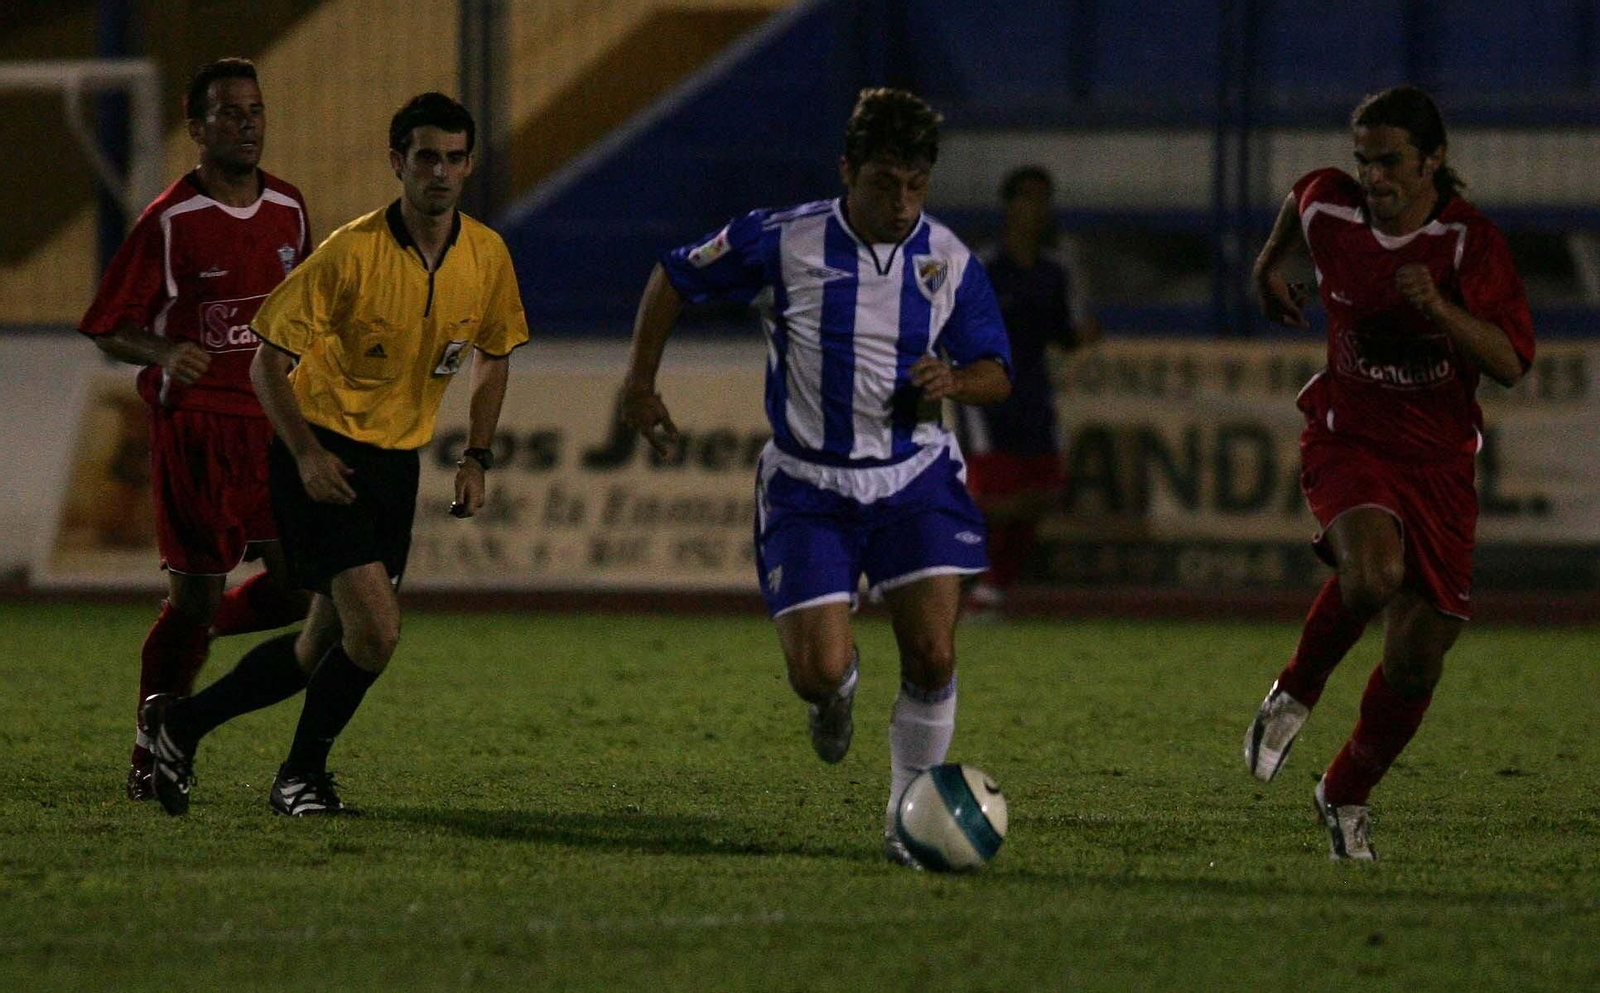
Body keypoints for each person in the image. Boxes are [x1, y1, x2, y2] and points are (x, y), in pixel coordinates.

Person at [620, 88, 1012, 866]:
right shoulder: (782, 241)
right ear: (847, 171)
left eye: (915, 186)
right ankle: (835, 692)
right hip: (810, 486)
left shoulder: (948, 260)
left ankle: (909, 818)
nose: (901, 204)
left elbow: (998, 371)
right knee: (816, 672)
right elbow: (673, 277)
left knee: (934, 653)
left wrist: (955, 383)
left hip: (914, 476)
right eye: (884, 184)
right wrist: (639, 382)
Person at [142, 92, 530, 816]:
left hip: (393, 461)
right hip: (318, 457)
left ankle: (180, 723)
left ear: (469, 164)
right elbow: (266, 363)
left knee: (316, 644)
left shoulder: (486, 254)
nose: (439, 172)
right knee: (377, 631)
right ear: (397, 163)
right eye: (424, 157)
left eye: (452, 158)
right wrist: (307, 453)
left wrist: (477, 455)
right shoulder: (351, 251)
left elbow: (495, 354)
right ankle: (299, 775)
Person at [1243, 85, 1534, 859]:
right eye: (1363, 160)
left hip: (1439, 464)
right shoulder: (1333, 210)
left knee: (1417, 658)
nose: (1372, 177)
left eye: (1391, 161)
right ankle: (1294, 690)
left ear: (1434, 160)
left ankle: (1343, 793)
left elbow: (1509, 360)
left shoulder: (1469, 244)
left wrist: (1440, 309)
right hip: (1349, 437)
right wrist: (1269, 265)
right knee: (1371, 574)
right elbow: (1300, 199)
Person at [77, 58, 312, 802]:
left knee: (305, 585)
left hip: (272, 424)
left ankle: (195, 639)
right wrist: (162, 349)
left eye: (254, 110)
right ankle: (153, 742)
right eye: (228, 112)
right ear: (197, 127)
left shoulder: (290, 208)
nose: (245, 124)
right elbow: (105, 322)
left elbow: (303, 307)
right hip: (197, 427)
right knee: (196, 597)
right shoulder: (170, 219)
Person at [954, 166, 1099, 615]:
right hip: (988, 396)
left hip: (1034, 394)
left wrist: (1083, 334)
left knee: (1047, 492)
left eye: (1044, 199)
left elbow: (1065, 334)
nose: (1038, 209)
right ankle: (963, 571)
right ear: (1008, 206)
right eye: (1029, 198)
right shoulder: (982, 268)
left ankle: (990, 583)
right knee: (993, 495)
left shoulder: (1055, 271)